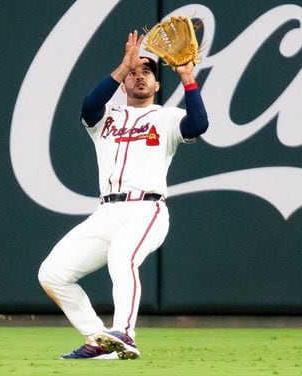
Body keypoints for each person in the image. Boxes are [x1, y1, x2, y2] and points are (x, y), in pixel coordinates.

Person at [38, 29, 209, 360]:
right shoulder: (106, 119)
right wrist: (121, 67)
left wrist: (188, 78)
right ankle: (98, 338)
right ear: (124, 82)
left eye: (147, 73)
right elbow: (89, 105)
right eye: (134, 73)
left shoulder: (167, 117)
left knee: (122, 258)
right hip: (106, 214)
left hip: (147, 210)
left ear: (157, 85)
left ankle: (125, 334)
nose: (140, 77)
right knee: (52, 274)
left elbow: (198, 124)